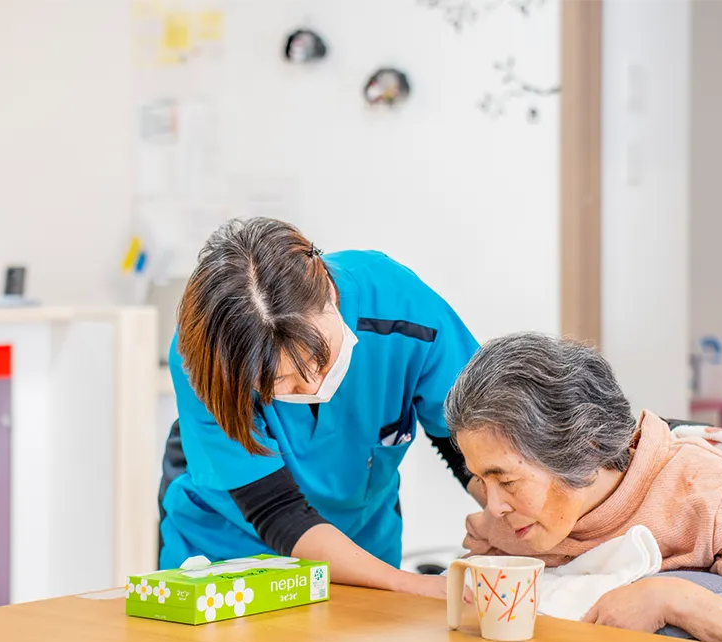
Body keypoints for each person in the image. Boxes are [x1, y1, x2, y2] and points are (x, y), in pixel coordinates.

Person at [443, 332, 722, 642]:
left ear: (584, 446)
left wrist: (673, 599)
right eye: (481, 481)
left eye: (507, 481)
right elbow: (456, 598)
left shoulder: (710, 495)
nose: (492, 506)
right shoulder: (503, 526)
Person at [158, 217, 483, 599]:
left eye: (320, 357)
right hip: (226, 563)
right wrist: (414, 585)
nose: (313, 386)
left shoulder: (404, 310)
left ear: (328, 289)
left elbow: (473, 444)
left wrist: (513, 519)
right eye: (282, 383)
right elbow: (277, 511)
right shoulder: (209, 358)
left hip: (366, 556)